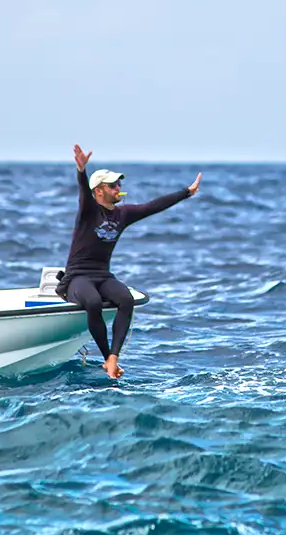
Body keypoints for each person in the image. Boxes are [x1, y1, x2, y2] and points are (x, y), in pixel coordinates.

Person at [57, 145, 201, 379]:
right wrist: (81, 171)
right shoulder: (88, 211)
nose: (118, 188)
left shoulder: (122, 214)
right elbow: (83, 191)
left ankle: (113, 358)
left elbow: (153, 206)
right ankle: (107, 358)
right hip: (77, 277)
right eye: (113, 185)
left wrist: (186, 192)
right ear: (99, 191)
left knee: (126, 299)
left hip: (103, 276)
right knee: (92, 301)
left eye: (119, 184)